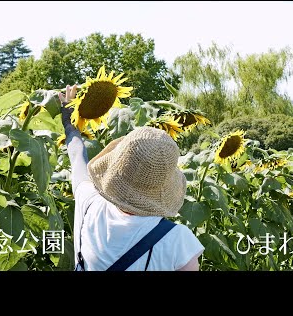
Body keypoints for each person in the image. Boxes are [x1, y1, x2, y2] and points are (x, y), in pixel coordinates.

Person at [58, 85, 204, 271]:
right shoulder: (177, 241)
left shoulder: (89, 203)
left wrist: (68, 116)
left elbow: (77, 157)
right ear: (163, 184)